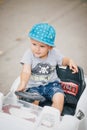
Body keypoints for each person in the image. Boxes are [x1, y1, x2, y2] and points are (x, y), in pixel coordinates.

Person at [17, 23, 78, 113]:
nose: (37, 49)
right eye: (34, 44)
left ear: (50, 47)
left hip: (52, 84)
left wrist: (69, 61)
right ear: (30, 41)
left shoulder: (55, 53)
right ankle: (33, 117)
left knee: (59, 97)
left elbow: (63, 60)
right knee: (33, 100)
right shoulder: (29, 54)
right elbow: (26, 71)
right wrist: (23, 84)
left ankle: (51, 118)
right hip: (34, 86)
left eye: (42, 46)